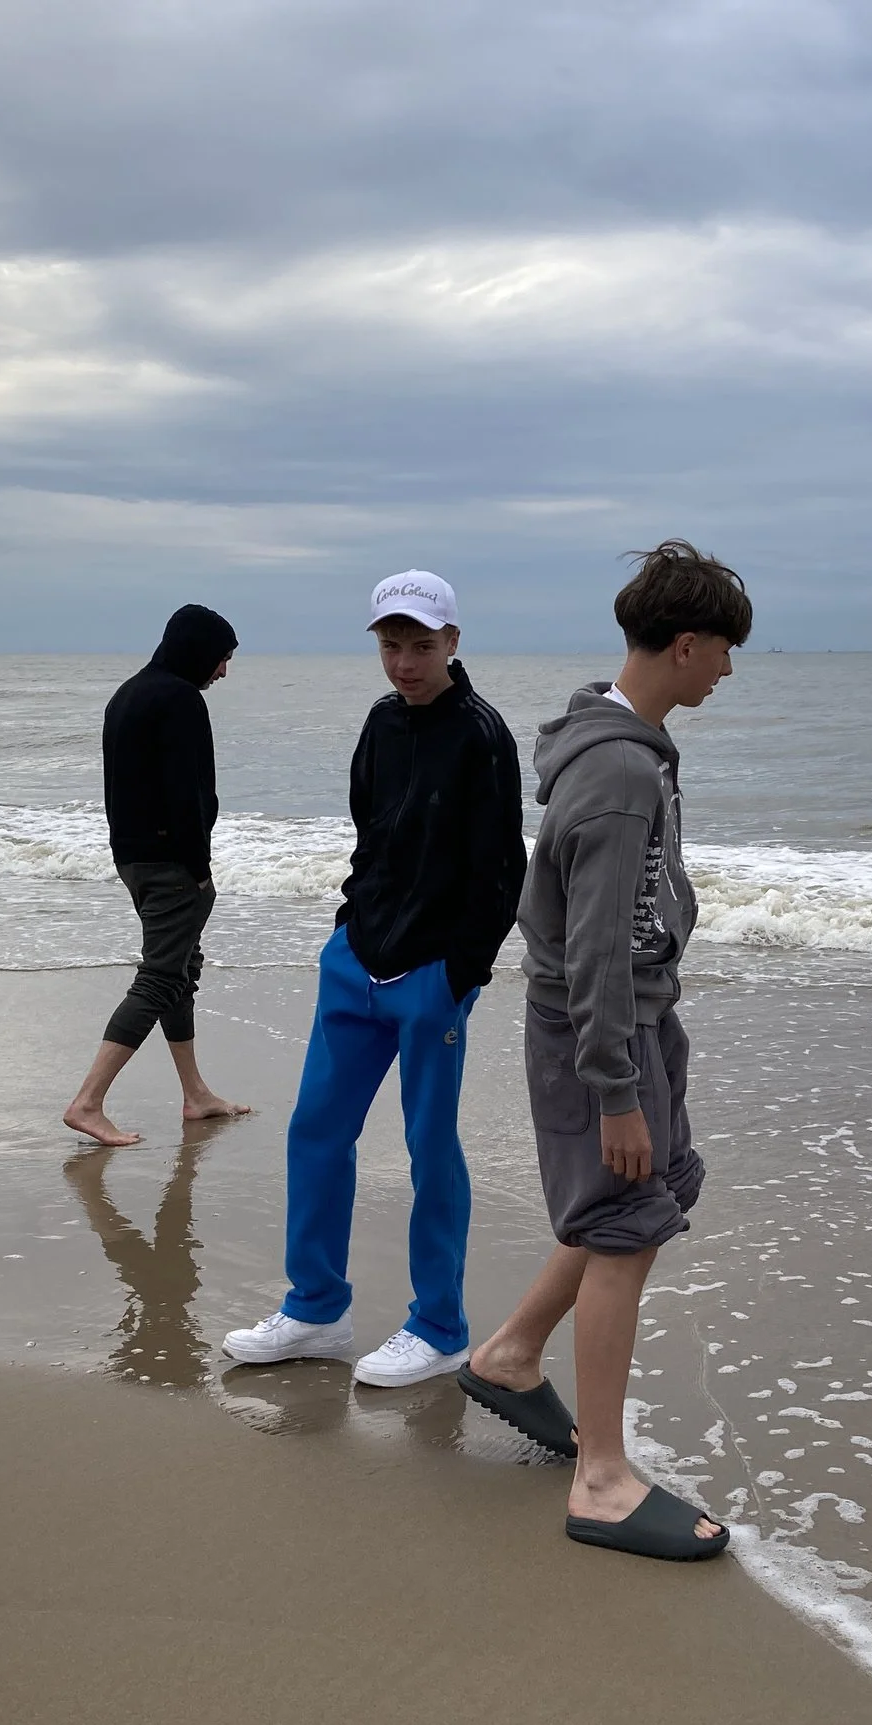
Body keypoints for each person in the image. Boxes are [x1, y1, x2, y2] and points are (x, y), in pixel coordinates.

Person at [458, 540, 750, 1561]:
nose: (725, 670)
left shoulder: (614, 740)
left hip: (624, 1022)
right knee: (625, 1225)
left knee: (636, 1197)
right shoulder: (623, 770)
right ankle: (603, 1478)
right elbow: (591, 947)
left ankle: (509, 1354)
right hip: (603, 1032)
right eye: (721, 651)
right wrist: (616, 1088)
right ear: (684, 644)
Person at [222, 570, 527, 1386]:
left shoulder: (482, 734)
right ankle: (315, 1308)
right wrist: (344, 936)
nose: (404, 663)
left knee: (429, 1147)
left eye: (421, 645)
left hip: (433, 974)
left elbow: (505, 869)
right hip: (357, 960)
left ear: (454, 642)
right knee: (315, 1130)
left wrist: (460, 971)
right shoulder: (380, 723)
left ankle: (440, 1326)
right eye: (391, 645)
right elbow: (370, 838)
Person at [63, 603, 252, 1148]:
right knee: (161, 977)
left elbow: (121, 788)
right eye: (221, 658)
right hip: (172, 865)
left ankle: (196, 1095)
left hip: (133, 857)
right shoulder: (179, 699)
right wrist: (197, 870)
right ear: (199, 651)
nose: (222, 671)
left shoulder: (128, 693)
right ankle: (88, 1102)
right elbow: (188, 795)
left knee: (177, 970)